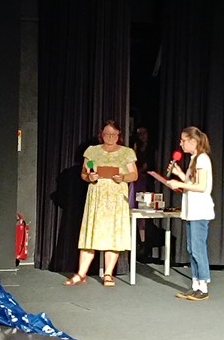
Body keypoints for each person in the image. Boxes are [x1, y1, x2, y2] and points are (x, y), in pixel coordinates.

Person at [64, 120, 138, 287]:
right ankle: (81, 273)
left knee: (113, 234)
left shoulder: (126, 152)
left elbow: (134, 175)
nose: (110, 137)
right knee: (91, 234)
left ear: (119, 135)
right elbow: (84, 172)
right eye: (107, 134)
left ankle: (108, 274)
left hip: (116, 198)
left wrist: (123, 177)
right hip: (96, 197)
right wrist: (89, 176)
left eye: (113, 134)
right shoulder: (92, 151)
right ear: (101, 134)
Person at [166, 126, 215, 301]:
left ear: (193, 141)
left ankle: (203, 286)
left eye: (183, 140)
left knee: (198, 249)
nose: (181, 144)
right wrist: (179, 173)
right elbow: (192, 183)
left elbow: (201, 186)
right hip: (191, 211)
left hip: (200, 211)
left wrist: (178, 184)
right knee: (191, 248)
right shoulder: (195, 159)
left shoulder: (202, 159)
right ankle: (195, 285)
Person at [129, 126, 158, 257]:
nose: (141, 136)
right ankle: (139, 242)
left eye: (143, 133)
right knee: (134, 210)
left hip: (145, 180)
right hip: (136, 180)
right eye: (139, 134)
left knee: (144, 212)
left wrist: (136, 172)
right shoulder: (136, 147)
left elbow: (147, 165)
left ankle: (145, 244)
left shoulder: (151, 149)